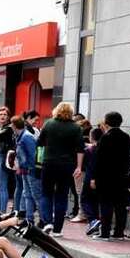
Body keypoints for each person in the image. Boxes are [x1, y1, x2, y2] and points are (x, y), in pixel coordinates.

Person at [36, 102, 84, 238]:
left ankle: (47, 222)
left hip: (49, 163)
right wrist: (79, 167)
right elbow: (80, 149)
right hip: (67, 165)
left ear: (56, 111)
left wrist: (39, 160)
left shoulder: (49, 124)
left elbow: (39, 143)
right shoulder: (76, 128)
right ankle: (57, 229)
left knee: (46, 193)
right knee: (62, 196)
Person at [93, 111, 130, 240]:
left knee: (106, 205)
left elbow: (99, 160)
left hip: (105, 177)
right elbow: (128, 157)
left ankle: (105, 232)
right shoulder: (126, 137)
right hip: (121, 176)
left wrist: (94, 177)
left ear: (106, 122)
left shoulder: (105, 137)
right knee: (120, 206)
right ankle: (119, 232)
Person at [12, 115, 41, 225]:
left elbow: (33, 155)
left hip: (30, 170)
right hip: (25, 170)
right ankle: (29, 219)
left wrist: (28, 167)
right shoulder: (21, 136)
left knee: (35, 195)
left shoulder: (26, 137)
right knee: (28, 195)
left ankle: (43, 220)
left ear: (14, 126)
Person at [0, 106, 15, 213]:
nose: (2, 116)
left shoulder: (9, 128)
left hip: (2, 157)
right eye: (0, 114)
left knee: (2, 186)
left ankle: (3, 211)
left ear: (8, 117)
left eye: (5, 114)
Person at [82, 127, 103, 236]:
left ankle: (93, 220)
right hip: (100, 178)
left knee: (85, 199)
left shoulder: (90, 150)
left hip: (90, 177)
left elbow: (89, 164)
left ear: (91, 137)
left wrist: (93, 178)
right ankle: (95, 224)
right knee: (94, 201)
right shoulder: (103, 149)